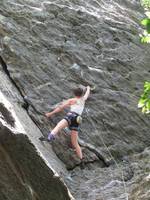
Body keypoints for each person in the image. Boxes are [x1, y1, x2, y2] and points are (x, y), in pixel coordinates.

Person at [39, 86, 91, 160]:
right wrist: (88, 88)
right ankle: (81, 159)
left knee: (58, 127)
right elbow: (87, 94)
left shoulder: (71, 100)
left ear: (74, 93)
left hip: (71, 116)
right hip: (77, 120)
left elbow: (60, 108)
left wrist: (50, 113)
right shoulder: (83, 100)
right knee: (74, 142)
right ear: (82, 94)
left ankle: (49, 138)